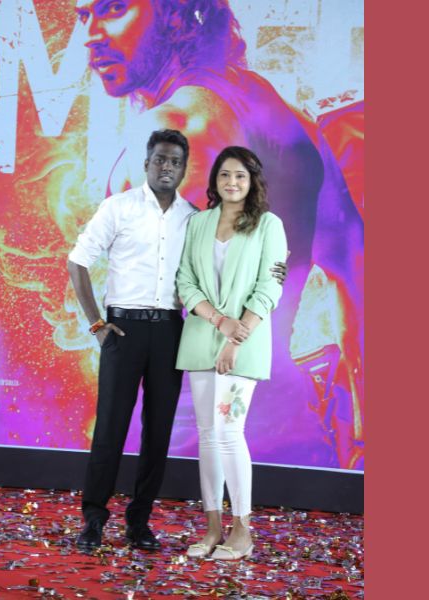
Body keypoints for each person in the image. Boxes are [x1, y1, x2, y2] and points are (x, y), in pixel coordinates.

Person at [75, 0, 364, 463]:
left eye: (113, 8)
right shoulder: (275, 109)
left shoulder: (177, 127)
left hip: (188, 432)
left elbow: (183, 299)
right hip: (288, 422)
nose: (91, 34)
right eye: (83, 16)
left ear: (174, 13)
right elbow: (352, 264)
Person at [67, 129, 286, 552]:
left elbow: (238, 276)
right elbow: (78, 260)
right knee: (110, 427)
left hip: (171, 330)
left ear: (185, 169)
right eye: (160, 159)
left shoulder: (193, 216)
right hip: (123, 329)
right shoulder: (120, 207)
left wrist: (239, 318)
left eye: (175, 161)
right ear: (147, 162)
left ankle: (139, 522)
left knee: (158, 432)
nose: (166, 167)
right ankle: (93, 518)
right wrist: (97, 324)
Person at [175, 146, 287, 560]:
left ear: (252, 180)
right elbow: (185, 281)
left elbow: (270, 287)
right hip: (201, 338)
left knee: (227, 433)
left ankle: (242, 531)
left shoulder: (268, 225)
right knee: (207, 436)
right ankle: (212, 529)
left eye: (240, 175)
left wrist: (235, 338)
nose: (232, 182)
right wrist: (218, 320)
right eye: (224, 175)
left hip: (244, 343)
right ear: (215, 180)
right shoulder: (199, 223)